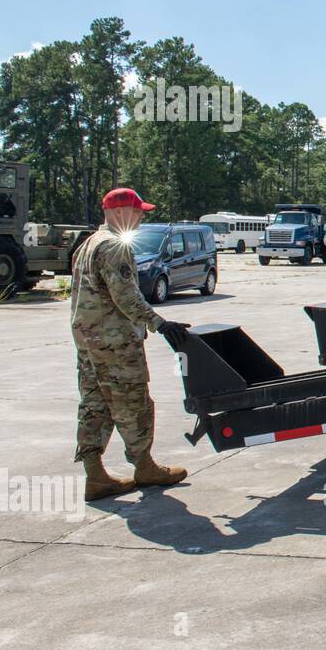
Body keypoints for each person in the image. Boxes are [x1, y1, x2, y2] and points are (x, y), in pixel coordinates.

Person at [71, 188, 190, 500]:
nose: (141, 218)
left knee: (94, 405)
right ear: (122, 211)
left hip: (88, 341)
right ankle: (144, 465)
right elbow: (125, 295)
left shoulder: (88, 244)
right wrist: (160, 323)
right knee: (132, 402)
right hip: (115, 343)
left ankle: (95, 474)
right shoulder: (114, 245)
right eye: (138, 212)